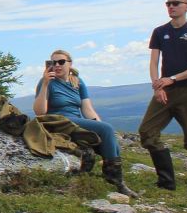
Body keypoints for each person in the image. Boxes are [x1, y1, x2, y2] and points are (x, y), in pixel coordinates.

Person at [138, 0, 187, 195]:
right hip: (165, 90)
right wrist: (158, 86)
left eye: (176, 3)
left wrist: (171, 79)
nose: (171, 6)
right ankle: (167, 182)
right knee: (147, 131)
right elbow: (154, 62)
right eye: (168, 3)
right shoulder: (160, 31)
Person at [33, 50, 135, 196]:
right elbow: (40, 112)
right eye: (53, 62)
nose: (57, 65)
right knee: (106, 129)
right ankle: (116, 180)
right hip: (58, 121)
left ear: (69, 63)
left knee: (107, 131)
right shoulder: (47, 82)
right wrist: (45, 84)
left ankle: (115, 177)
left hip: (76, 121)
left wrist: (100, 126)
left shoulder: (78, 82)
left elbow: (87, 109)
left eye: (61, 62)